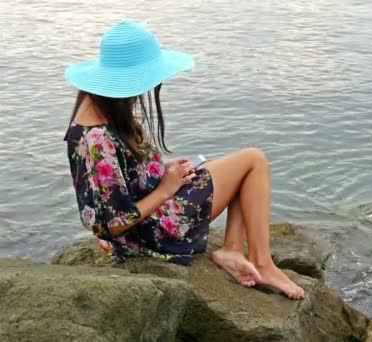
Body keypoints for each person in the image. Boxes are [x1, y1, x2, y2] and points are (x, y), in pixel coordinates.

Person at [63, 20, 304, 300]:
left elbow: (125, 182)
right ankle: (263, 263)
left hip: (146, 225)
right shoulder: (96, 139)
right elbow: (111, 223)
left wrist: (166, 173)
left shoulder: (102, 110)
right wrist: (166, 189)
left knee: (243, 167)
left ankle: (233, 250)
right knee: (253, 161)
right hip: (144, 238)